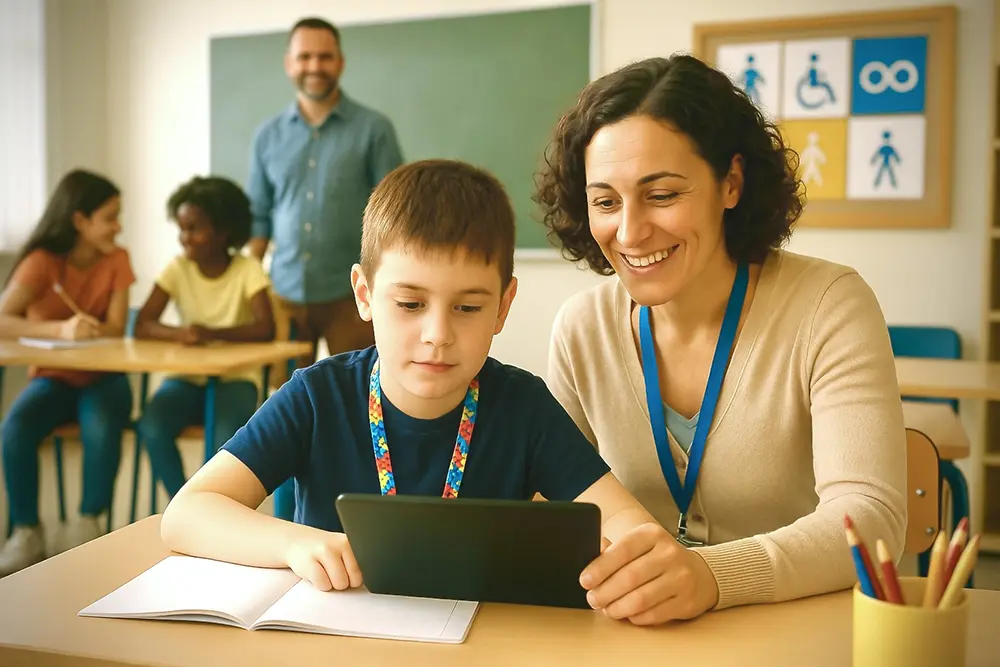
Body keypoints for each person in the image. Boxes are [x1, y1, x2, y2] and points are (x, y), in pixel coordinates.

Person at [160, 160, 657, 592]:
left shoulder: (523, 406)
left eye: (467, 306)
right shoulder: (316, 395)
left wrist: (632, 558)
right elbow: (188, 513)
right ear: (364, 294)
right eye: (410, 304)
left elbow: (630, 525)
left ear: (503, 306)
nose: (437, 334)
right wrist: (295, 542)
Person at [534, 54, 906, 624]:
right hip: (636, 638)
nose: (630, 232)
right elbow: (553, 510)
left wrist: (713, 575)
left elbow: (870, 519)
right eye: (606, 201)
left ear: (730, 183)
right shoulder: (581, 329)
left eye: (662, 195)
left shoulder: (829, 303)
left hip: (798, 633)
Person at [245, 16, 404, 368]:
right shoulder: (267, 136)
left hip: (352, 296)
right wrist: (243, 283)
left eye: (324, 57)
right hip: (282, 297)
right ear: (289, 64)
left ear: (340, 63)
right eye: (304, 57)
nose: (314, 66)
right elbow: (259, 216)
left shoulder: (374, 129)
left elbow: (396, 215)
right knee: (286, 405)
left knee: (359, 396)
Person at [0, 169, 136, 576]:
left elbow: (115, 328)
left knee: (100, 427)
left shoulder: (117, 260)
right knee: (15, 429)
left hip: (104, 379)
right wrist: (57, 329)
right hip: (53, 379)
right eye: (109, 217)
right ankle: (27, 531)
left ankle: (88, 524)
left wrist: (92, 329)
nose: (118, 225)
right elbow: (3, 318)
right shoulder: (41, 262)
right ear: (80, 220)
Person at [134, 176, 275, 499]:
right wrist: (180, 333)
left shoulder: (247, 269)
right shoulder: (178, 268)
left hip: (236, 378)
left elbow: (265, 328)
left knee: (225, 442)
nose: (185, 238)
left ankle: (214, 507)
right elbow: (142, 324)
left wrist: (211, 333)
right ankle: (184, 502)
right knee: (151, 425)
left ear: (223, 231)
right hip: (187, 378)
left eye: (194, 228)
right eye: (182, 229)